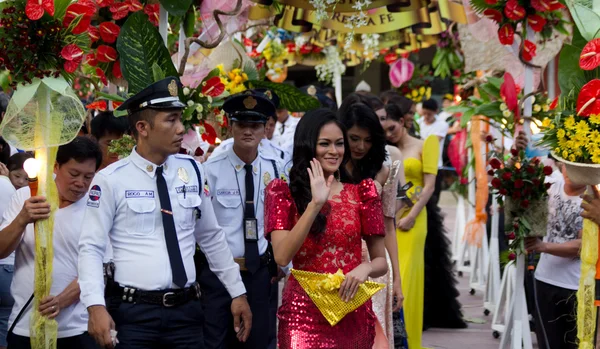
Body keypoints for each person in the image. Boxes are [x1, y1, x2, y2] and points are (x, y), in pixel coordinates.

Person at [77, 77, 252, 349]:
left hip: (187, 312)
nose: (181, 128)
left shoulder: (192, 170)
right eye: (171, 120)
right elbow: (91, 248)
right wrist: (94, 306)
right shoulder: (111, 179)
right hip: (134, 316)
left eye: (180, 119)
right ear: (142, 127)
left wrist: (237, 292)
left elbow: (210, 237)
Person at [265, 109, 388, 348]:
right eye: (325, 144)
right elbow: (281, 257)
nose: (334, 151)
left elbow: (380, 261)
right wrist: (315, 205)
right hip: (303, 314)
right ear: (308, 145)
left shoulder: (363, 193)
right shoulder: (282, 193)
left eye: (339, 144)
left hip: (352, 310)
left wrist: (366, 267)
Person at [0, 137, 102, 349]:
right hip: (24, 325)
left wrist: (63, 300)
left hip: (77, 328)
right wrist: (22, 219)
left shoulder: (97, 207)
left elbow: (99, 266)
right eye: (74, 174)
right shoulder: (26, 197)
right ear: (56, 167)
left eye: (88, 177)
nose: (80, 183)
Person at [201, 90, 284, 349]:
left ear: (266, 129)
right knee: (217, 342)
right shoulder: (210, 170)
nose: (248, 131)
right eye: (241, 124)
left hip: (260, 274)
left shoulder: (277, 170)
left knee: (259, 342)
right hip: (218, 276)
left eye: (255, 125)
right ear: (230, 126)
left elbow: (282, 222)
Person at [383, 103, 465, 349]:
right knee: (389, 277)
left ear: (403, 121)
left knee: (407, 277)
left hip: (415, 220)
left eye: (392, 127)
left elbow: (429, 186)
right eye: (384, 130)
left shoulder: (425, 143)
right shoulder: (386, 151)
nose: (389, 133)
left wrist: (412, 215)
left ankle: (408, 339)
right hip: (390, 219)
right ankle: (389, 337)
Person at [338, 101, 405, 348]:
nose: (360, 146)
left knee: (373, 338)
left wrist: (397, 277)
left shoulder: (383, 171)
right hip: (337, 261)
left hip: (375, 266)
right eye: (354, 138)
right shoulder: (329, 166)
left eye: (367, 140)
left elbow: (388, 225)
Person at [524, 162, 584, 349]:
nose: (569, 173)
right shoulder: (550, 186)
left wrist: (543, 246)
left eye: (576, 168)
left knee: (572, 344)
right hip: (545, 280)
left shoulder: (593, 198)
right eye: (566, 166)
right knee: (547, 343)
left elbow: (582, 246)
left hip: (575, 286)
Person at [0, 153, 33, 349]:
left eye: (27, 178)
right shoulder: (12, 192)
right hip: (8, 267)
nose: (22, 183)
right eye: (17, 176)